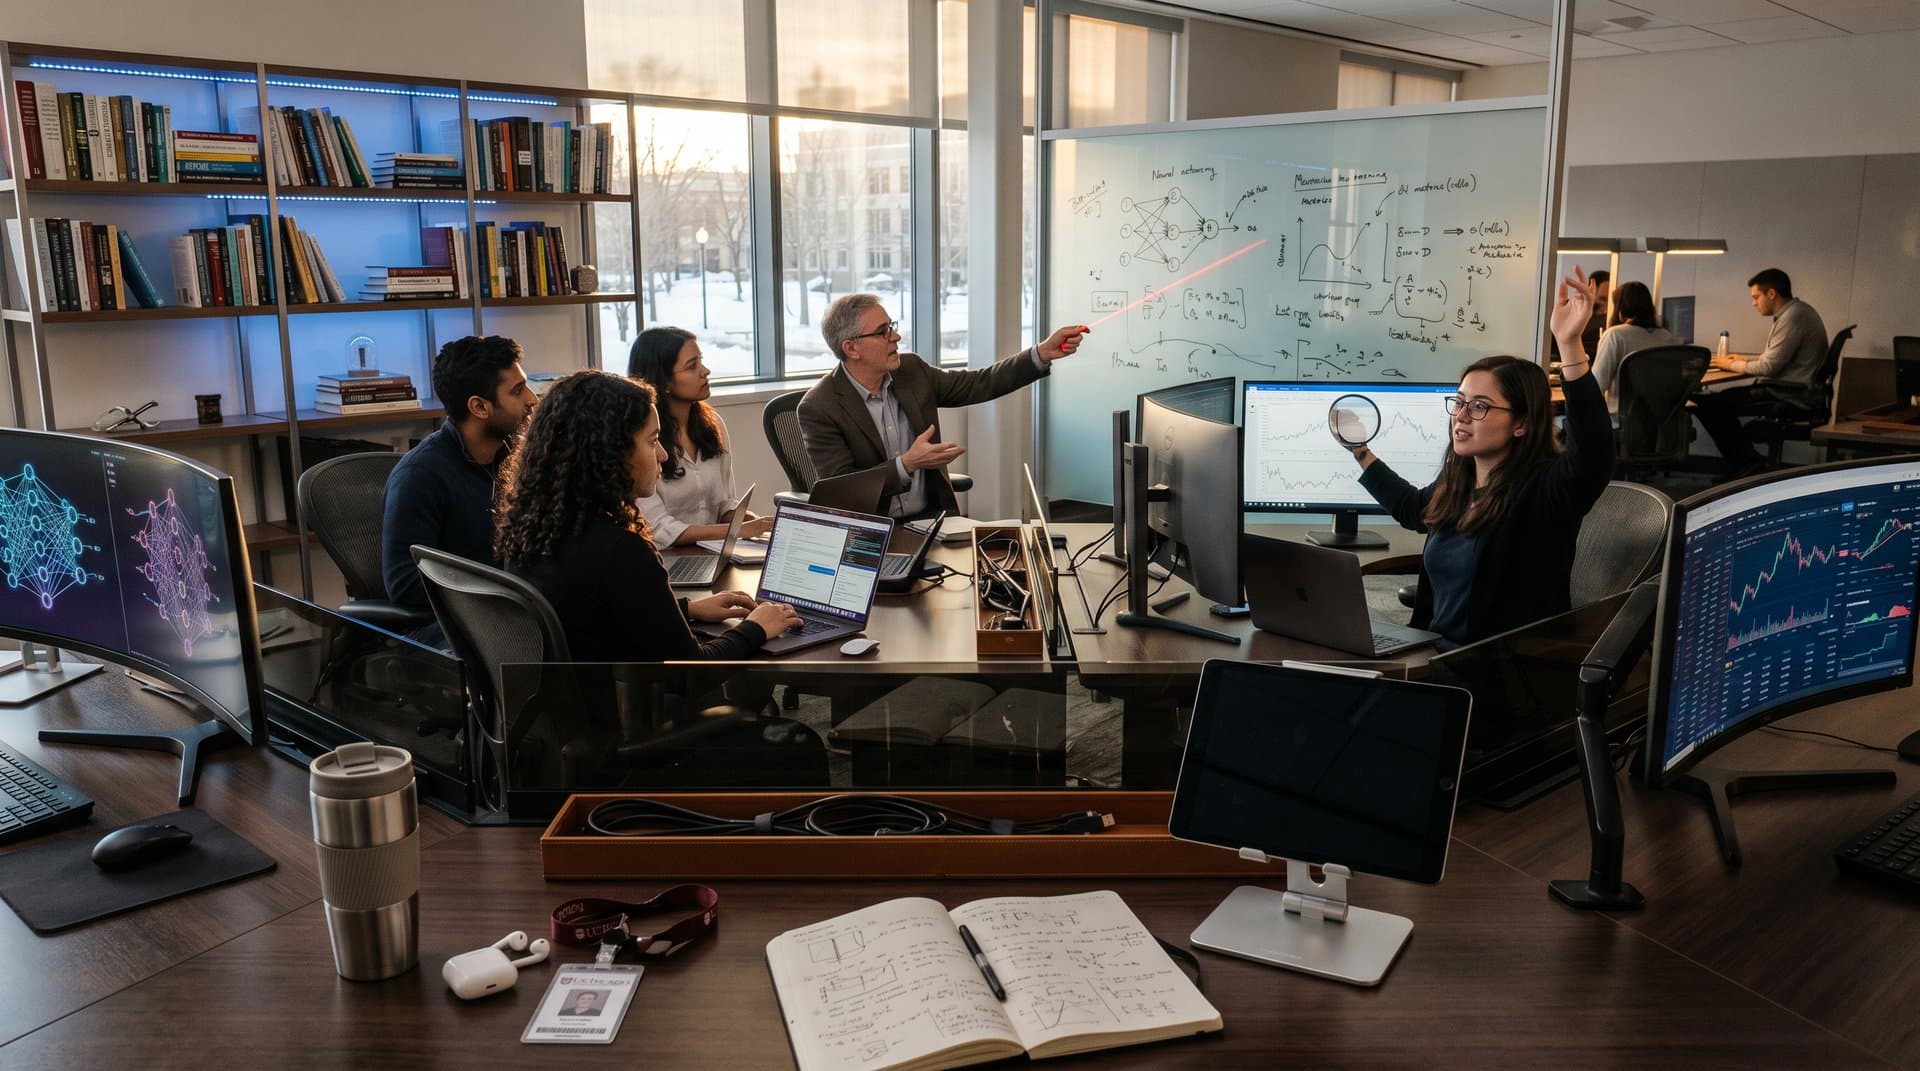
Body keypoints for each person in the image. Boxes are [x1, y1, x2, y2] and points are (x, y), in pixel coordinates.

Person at [1336, 267, 1614, 650]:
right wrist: (1360, 450)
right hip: (1432, 654)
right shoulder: (1462, 482)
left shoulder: (1545, 490)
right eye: (1460, 402)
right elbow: (1413, 508)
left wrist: (1569, 346)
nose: (1461, 416)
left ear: (1521, 423)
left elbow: (1594, 454)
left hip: (1492, 669)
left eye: (1480, 406)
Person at [498, 370, 798, 661]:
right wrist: (756, 627)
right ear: (612, 452)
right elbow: (691, 669)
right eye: (653, 441)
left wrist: (686, 609)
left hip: (572, 689)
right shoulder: (623, 552)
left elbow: (595, 614)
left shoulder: (532, 533)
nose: (663, 455)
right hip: (625, 695)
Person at [798, 293, 1089, 519]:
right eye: (882, 331)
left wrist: (1041, 353)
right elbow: (843, 492)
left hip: (935, 522)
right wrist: (907, 464)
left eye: (892, 327)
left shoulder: (911, 371)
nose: (896, 337)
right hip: (871, 533)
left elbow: (979, 383)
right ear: (851, 348)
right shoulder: (819, 407)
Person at [382, 335, 536, 616]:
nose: (532, 399)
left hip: (511, 612)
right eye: (517, 391)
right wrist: (500, 591)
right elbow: (404, 584)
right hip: (453, 625)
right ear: (479, 407)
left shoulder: (518, 457)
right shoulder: (419, 476)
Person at [627, 326, 771, 547]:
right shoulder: (642, 439)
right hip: (668, 557)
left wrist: (756, 523)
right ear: (664, 381)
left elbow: (724, 504)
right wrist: (737, 530)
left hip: (716, 551)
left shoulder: (713, 425)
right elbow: (658, 529)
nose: (705, 371)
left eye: (700, 361)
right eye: (692, 366)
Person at [1692, 267, 1830, 473]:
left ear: (1771, 293)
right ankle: (1748, 463)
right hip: (1794, 389)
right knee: (1714, 402)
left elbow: (1768, 367)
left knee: (1708, 404)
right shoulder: (1798, 312)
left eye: (1756, 297)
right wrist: (1745, 359)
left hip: (1787, 394)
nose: (1754, 303)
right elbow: (1778, 359)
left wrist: (1729, 365)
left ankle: (1748, 466)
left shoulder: (1792, 318)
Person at [1590, 280, 1679, 408]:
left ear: (1620, 310)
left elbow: (1595, 387)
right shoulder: (1666, 336)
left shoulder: (1615, 335)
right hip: (1661, 416)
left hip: (1620, 417)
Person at [1551, 269, 1609, 363]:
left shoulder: (1613, 323)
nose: (1606, 306)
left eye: (1611, 300)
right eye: (1603, 299)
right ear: (1592, 292)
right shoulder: (1569, 315)